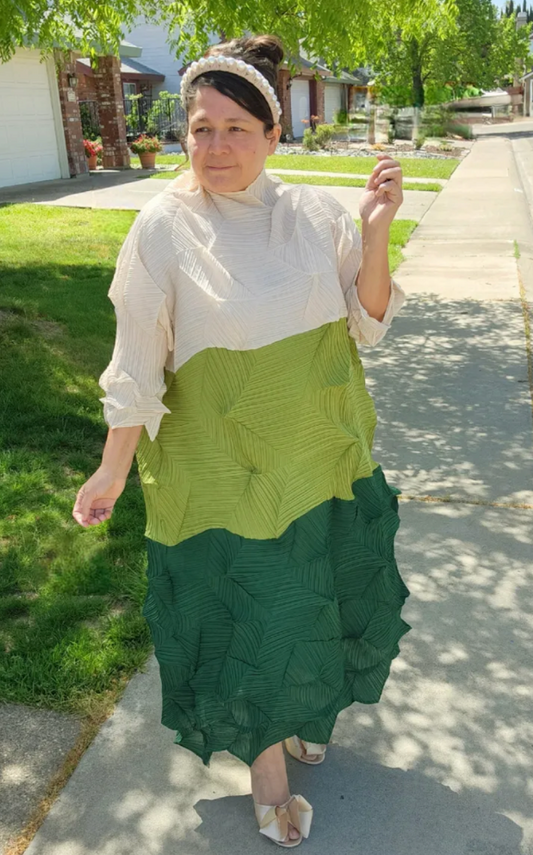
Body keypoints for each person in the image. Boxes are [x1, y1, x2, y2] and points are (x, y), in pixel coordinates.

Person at [72, 34, 410, 849]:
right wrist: (112, 470)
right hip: (218, 473)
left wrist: (374, 229)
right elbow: (135, 366)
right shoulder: (162, 230)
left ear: (271, 136)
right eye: (199, 128)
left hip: (317, 457)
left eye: (234, 129)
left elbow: (367, 323)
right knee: (251, 609)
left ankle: (305, 712)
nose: (214, 147)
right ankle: (267, 767)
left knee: (316, 596)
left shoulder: (313, 216)